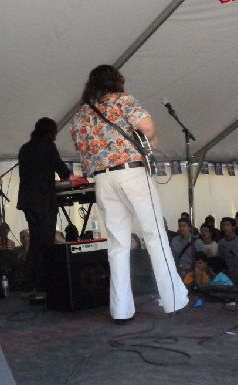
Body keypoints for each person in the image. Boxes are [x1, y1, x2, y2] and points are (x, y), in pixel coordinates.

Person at [70, 64, 188, 324]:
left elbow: (82, 149)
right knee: (155, 235)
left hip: (103, 179)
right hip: (131, 173)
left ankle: (121, 311)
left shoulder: (80, 115)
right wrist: (151, 138)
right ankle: (174, 300)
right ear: (117, 81)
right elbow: (146, 126)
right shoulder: (122, 100)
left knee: (117, 246)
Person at [17, 117, 71, 301]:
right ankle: (43, 286)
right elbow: (62, 170)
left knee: (35, 245)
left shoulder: (25, 148)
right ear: (51, 133)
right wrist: (65, 176)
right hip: (43, 202)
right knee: (47, 244)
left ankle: (27, 286)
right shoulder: (48, 146)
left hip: (27, 202)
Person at [218, 217, 238, 282]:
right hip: (227, 276)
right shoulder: (221, 243)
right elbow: (221, 259)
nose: (225, 228)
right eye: (223, 225)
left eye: (227, 225)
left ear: (234, 227)